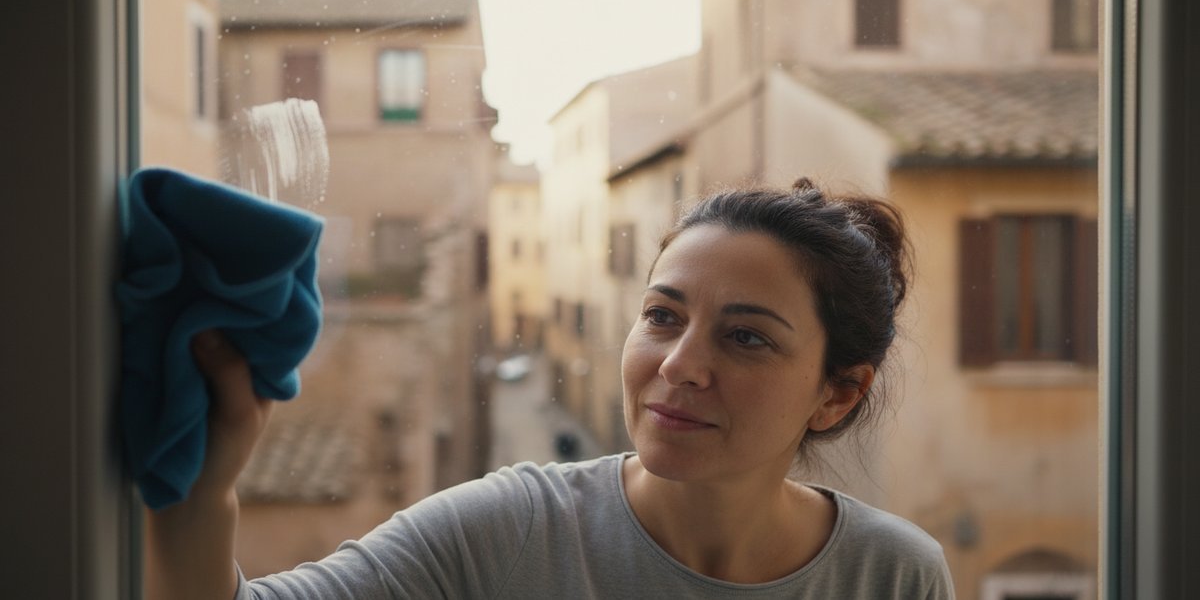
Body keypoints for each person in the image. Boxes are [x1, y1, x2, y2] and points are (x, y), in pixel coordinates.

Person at [145, 178, 955, 599]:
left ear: (837, 394)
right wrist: (206, 487)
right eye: (662, 315)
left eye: (745, 336)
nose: (678, 364)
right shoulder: (509, 531)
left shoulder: (893, 576)